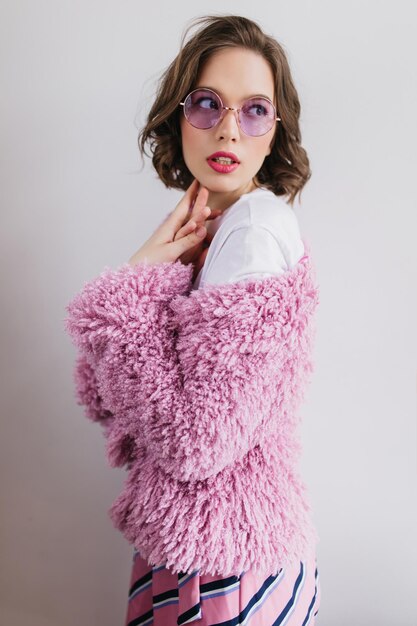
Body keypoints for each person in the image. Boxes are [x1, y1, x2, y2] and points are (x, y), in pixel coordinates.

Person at [65, 14, 322, 626]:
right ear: (179, 117)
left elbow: (196, 441)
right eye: (208, 104)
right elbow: (107, 400)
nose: (229, 129)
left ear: (275, 130)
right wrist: (145, 272)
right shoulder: (217, 231)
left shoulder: (255, 234)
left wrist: (128, 291)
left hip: (225, 568)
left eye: (254, 110)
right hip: (207, 549)